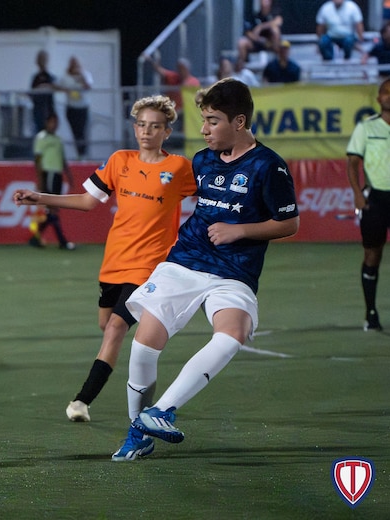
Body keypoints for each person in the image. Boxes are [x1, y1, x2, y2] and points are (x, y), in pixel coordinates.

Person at [114, 78, 299, 460]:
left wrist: (240, 230)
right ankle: (138, 432)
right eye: (204, 120)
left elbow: (289, 223)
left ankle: (161, 411)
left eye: (213, 121)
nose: (204, 129)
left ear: (239, 121)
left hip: (235, 271)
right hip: (185, 261)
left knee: (233, 334)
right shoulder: (201, 160)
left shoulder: (269, 166)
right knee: (144, 345)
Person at [13, 95, 195, 427]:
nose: (147, 131)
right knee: (107, 326)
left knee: (115, 328)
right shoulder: (119, 161)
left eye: (155, 126)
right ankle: (145, 386)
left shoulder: (179, 168)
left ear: (167, 132)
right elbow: (87, 201)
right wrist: (38, 197)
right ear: (134, 128)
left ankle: (82, 401)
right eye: (142, 125)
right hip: (114, 261)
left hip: (149, 266)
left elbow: (210, 200)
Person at [346, 77, 390, 331]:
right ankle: (371, 313)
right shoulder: (366, 127)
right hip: (376, 199)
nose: (389, 95)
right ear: (378, 98)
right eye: (385, 91)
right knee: (372, 254)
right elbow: (353, 162)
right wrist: (357, 194)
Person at [27, 112, 76, 250]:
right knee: (53, 207)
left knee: (52, 208)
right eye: (52, 122)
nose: (54, 125)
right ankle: (62, 241)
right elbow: (38, 159)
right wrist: (40, 179)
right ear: (46, 123)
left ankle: (36, 237)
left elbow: (62, 158)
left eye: (56, 122)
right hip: (48, 173)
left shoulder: (58, 139)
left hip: (57, 175)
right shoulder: (41, 137)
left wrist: (69, 175)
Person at [57, 56, 93, 159]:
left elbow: (89, 86)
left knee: (83, 132)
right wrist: (66, 90)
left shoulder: (85, 74)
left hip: (83, 107)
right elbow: (57, 86)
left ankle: (83, 154)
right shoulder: (65, 77)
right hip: (71, 108)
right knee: (75, 132)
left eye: (76, 64)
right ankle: (79, 153)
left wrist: (81, 76)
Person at [236, 0, 283, 65]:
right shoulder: (253, 13)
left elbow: (278, 22)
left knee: (275, 30)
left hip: (270, 43)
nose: (265, 2)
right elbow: (248, 32)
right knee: (241, 42)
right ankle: (242, 66)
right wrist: (259, 39)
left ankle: (279, 62)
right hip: (256, 42)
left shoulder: (274, 13)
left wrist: (261, 27)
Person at [30, 50, 57, 134]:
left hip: (48, 109)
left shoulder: (50, 76)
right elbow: (32, 92)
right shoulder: (36, 77)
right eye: (40, 59)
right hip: (38, 110)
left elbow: (54, 87)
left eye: (43, 59)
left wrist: (43, 87)